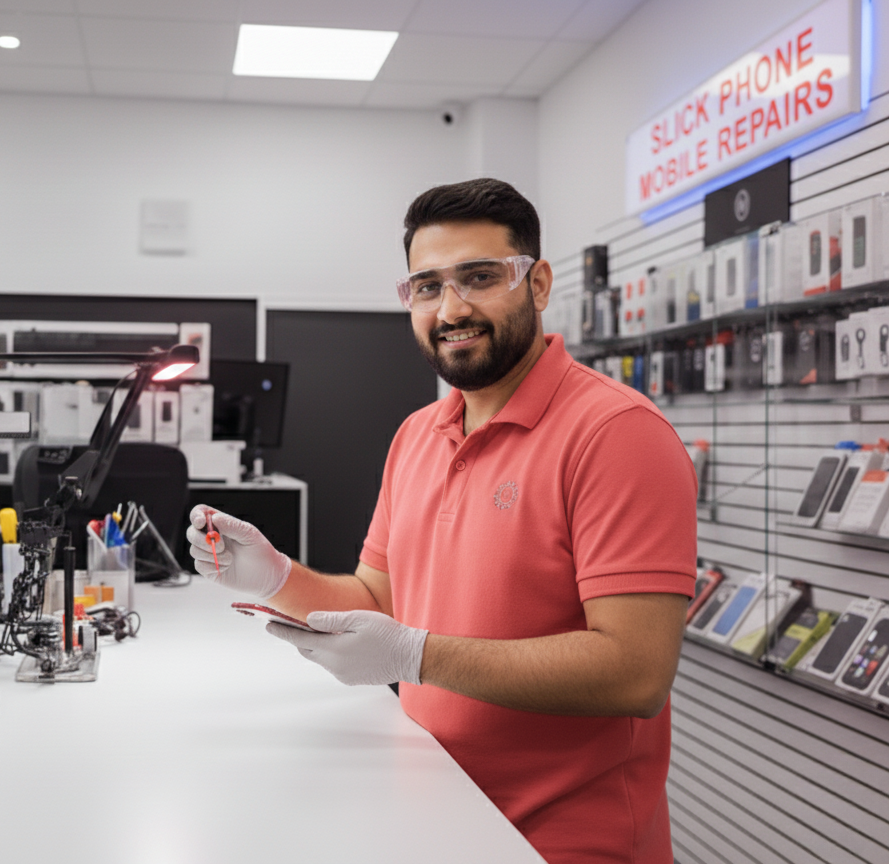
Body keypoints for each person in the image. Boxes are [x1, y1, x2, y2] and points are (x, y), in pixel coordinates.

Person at [188, 178, 697, 864]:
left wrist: (416, 657)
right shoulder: (417, 434)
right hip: (433, 810)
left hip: (564, 844)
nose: (451, 308)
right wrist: (277, 576)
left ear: (538, 283)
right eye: (426, 286)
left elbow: (635, 673)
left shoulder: (615, 433)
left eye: (480, 277)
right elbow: (377, 601)